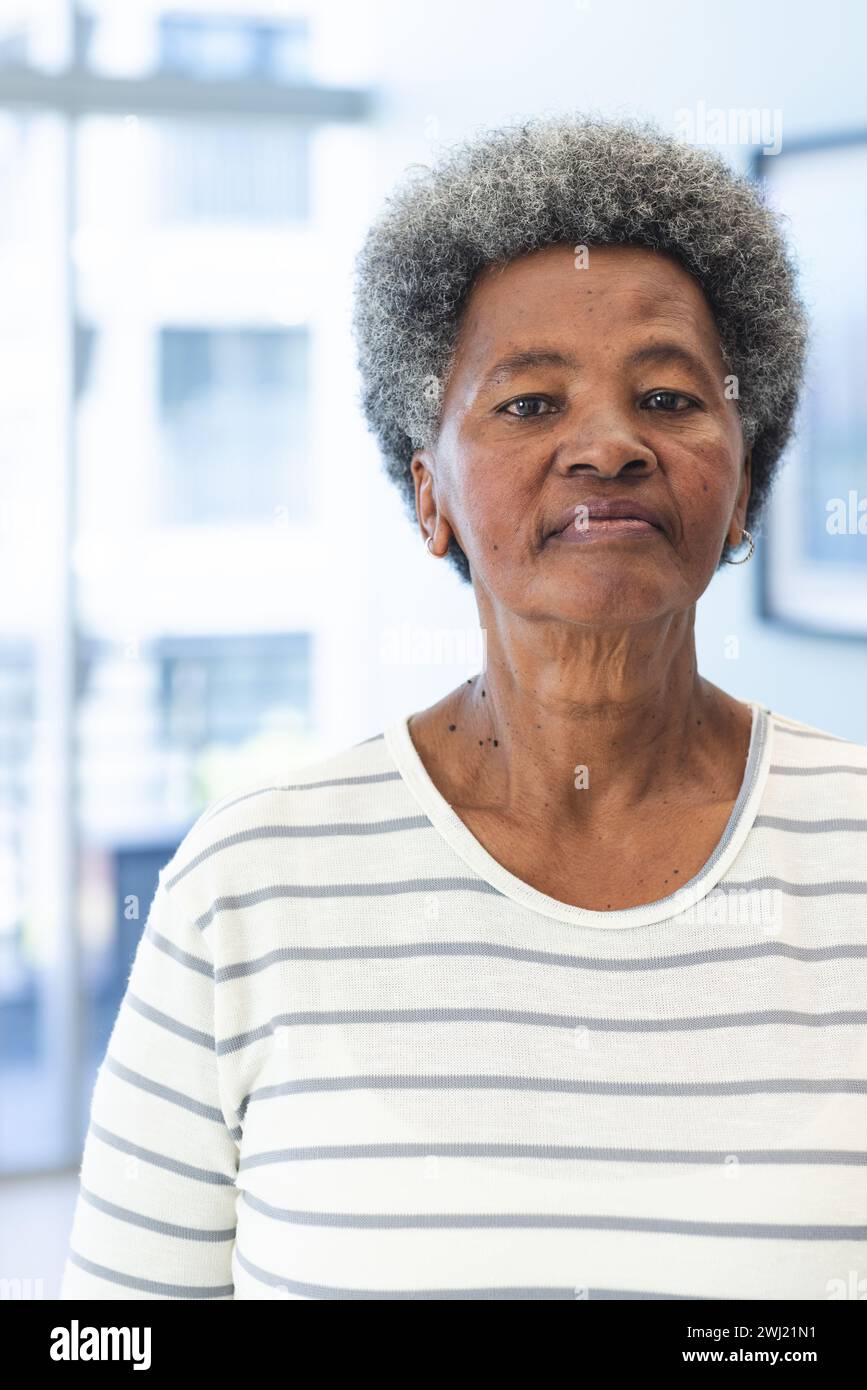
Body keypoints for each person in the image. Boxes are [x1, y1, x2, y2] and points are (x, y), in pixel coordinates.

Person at [61, 113, 867, 1301]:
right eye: (531, 404)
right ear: (427, 493)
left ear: (743, 486)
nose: (609, 444)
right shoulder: (248, 881)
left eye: (668, 396)